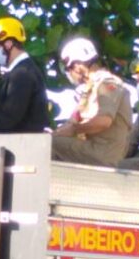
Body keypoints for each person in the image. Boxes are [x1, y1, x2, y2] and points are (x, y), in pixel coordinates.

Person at [51, 38, 132, 166]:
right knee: (47, 141)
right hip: (92, 148)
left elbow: (104, 121)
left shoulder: (107, 83)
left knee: (49, 145)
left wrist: (73, 130)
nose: (69, 73)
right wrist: (56, 133)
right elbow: (74, 119)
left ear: (78, 65)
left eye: (69, 68)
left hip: (104, 152)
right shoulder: (89, 90)